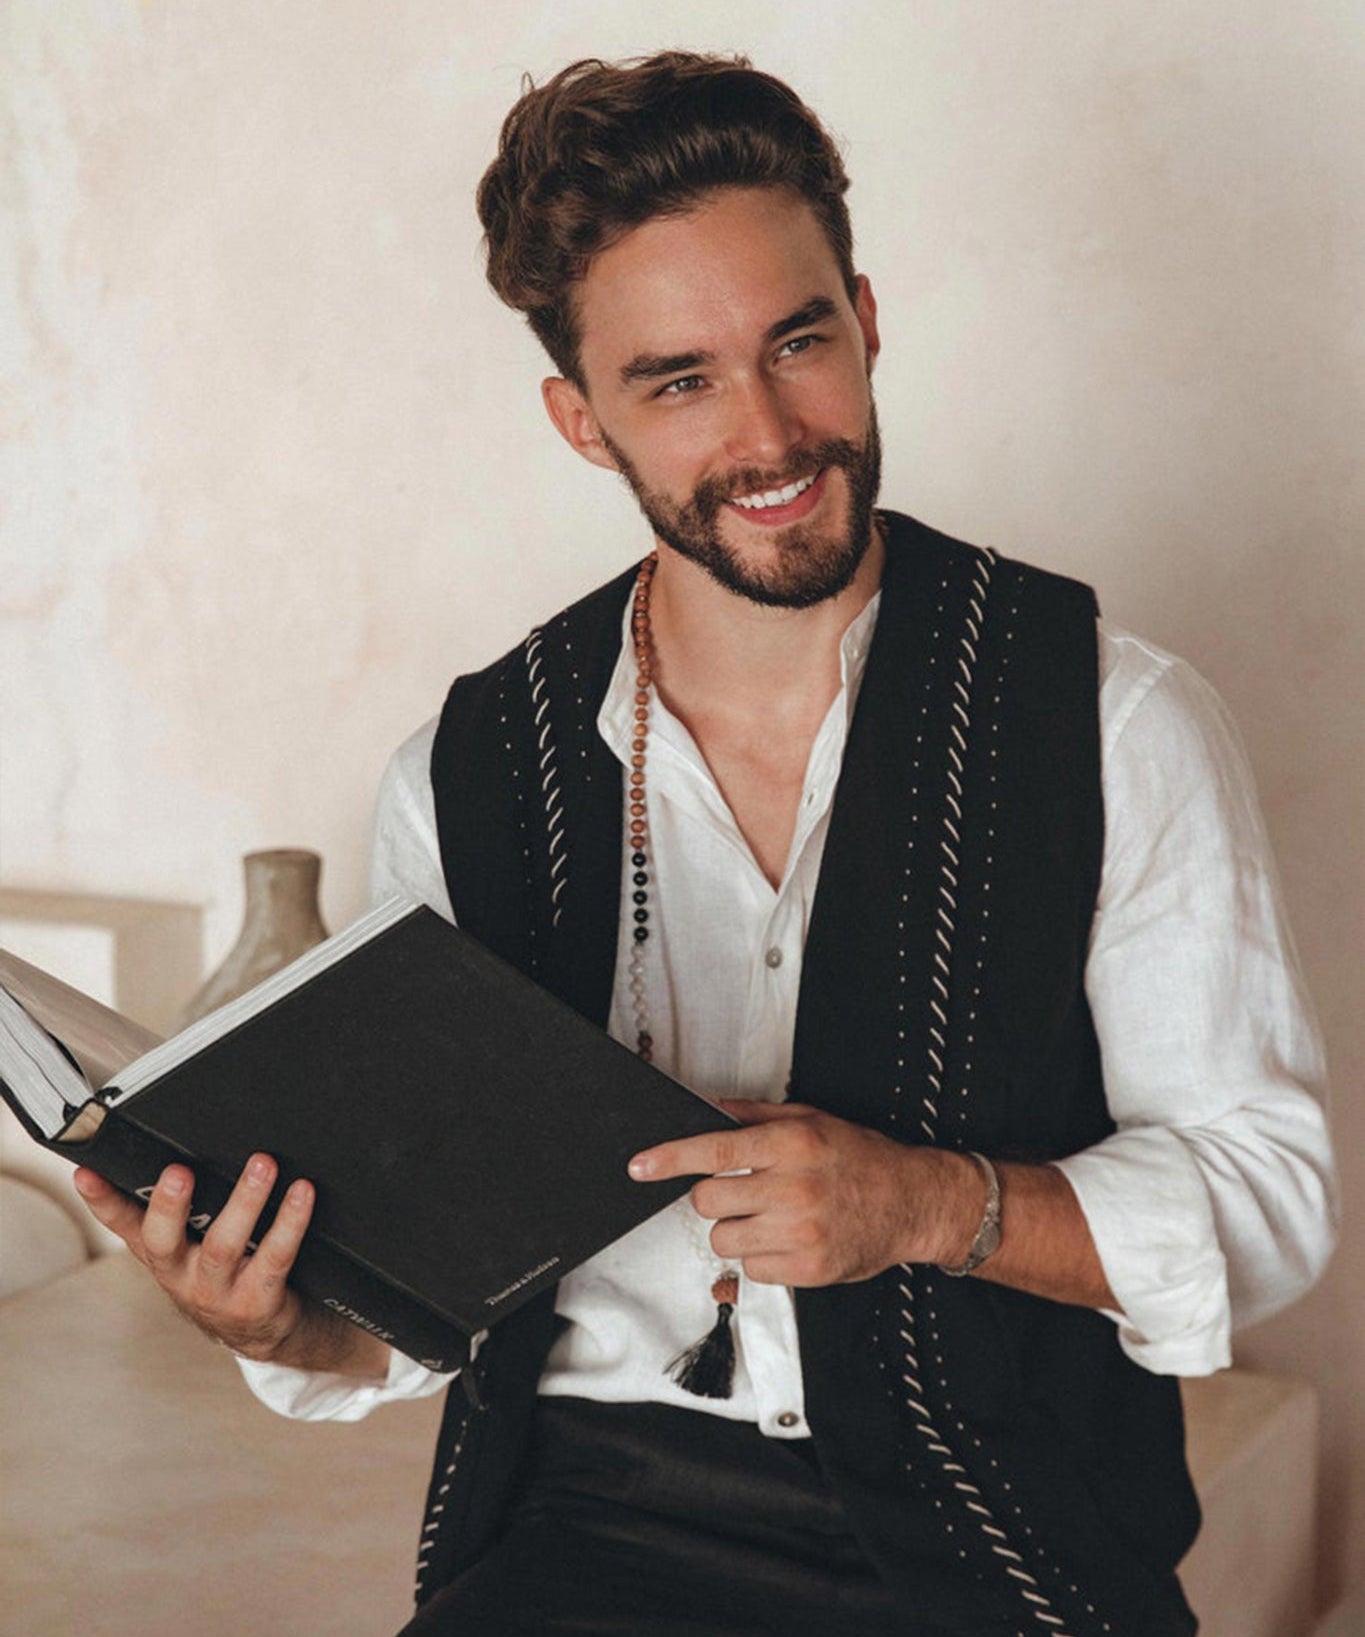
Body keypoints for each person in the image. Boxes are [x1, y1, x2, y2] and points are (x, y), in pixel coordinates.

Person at [74, 52, 1336, 1637]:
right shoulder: (466, 769)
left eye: (795, 343)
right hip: (574, 1518)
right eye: (677, 381)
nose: (766, 436)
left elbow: (1268, 1198)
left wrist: (930, 1208)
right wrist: (277, 1326)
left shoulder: (1110, 717)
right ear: (581, 420)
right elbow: (426, 1285)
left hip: (998, 1529)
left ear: (864, 320)